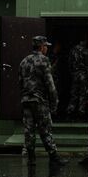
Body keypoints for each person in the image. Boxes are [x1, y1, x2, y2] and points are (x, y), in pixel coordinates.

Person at [20, 35, 66, 164]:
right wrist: (54, 101)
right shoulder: (44, 61)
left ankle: (31, 158)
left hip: (26, 100)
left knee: (29, 129)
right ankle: (53, 156)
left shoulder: (24, 61)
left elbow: (20, 82)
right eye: (46, 46)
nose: (47, 48)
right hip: (39, 100)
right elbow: (49, 83)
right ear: (41, 47)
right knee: (45, 128)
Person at [67, 39, 88, 117]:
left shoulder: (73, 50)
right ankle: (81, 111)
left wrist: (72, 72)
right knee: (82, 94)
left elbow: (69, 62)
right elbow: (87, 63)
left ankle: (70, 111)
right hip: (83, 74)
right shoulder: (86, 51)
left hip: (75, 74)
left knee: (74, 93)